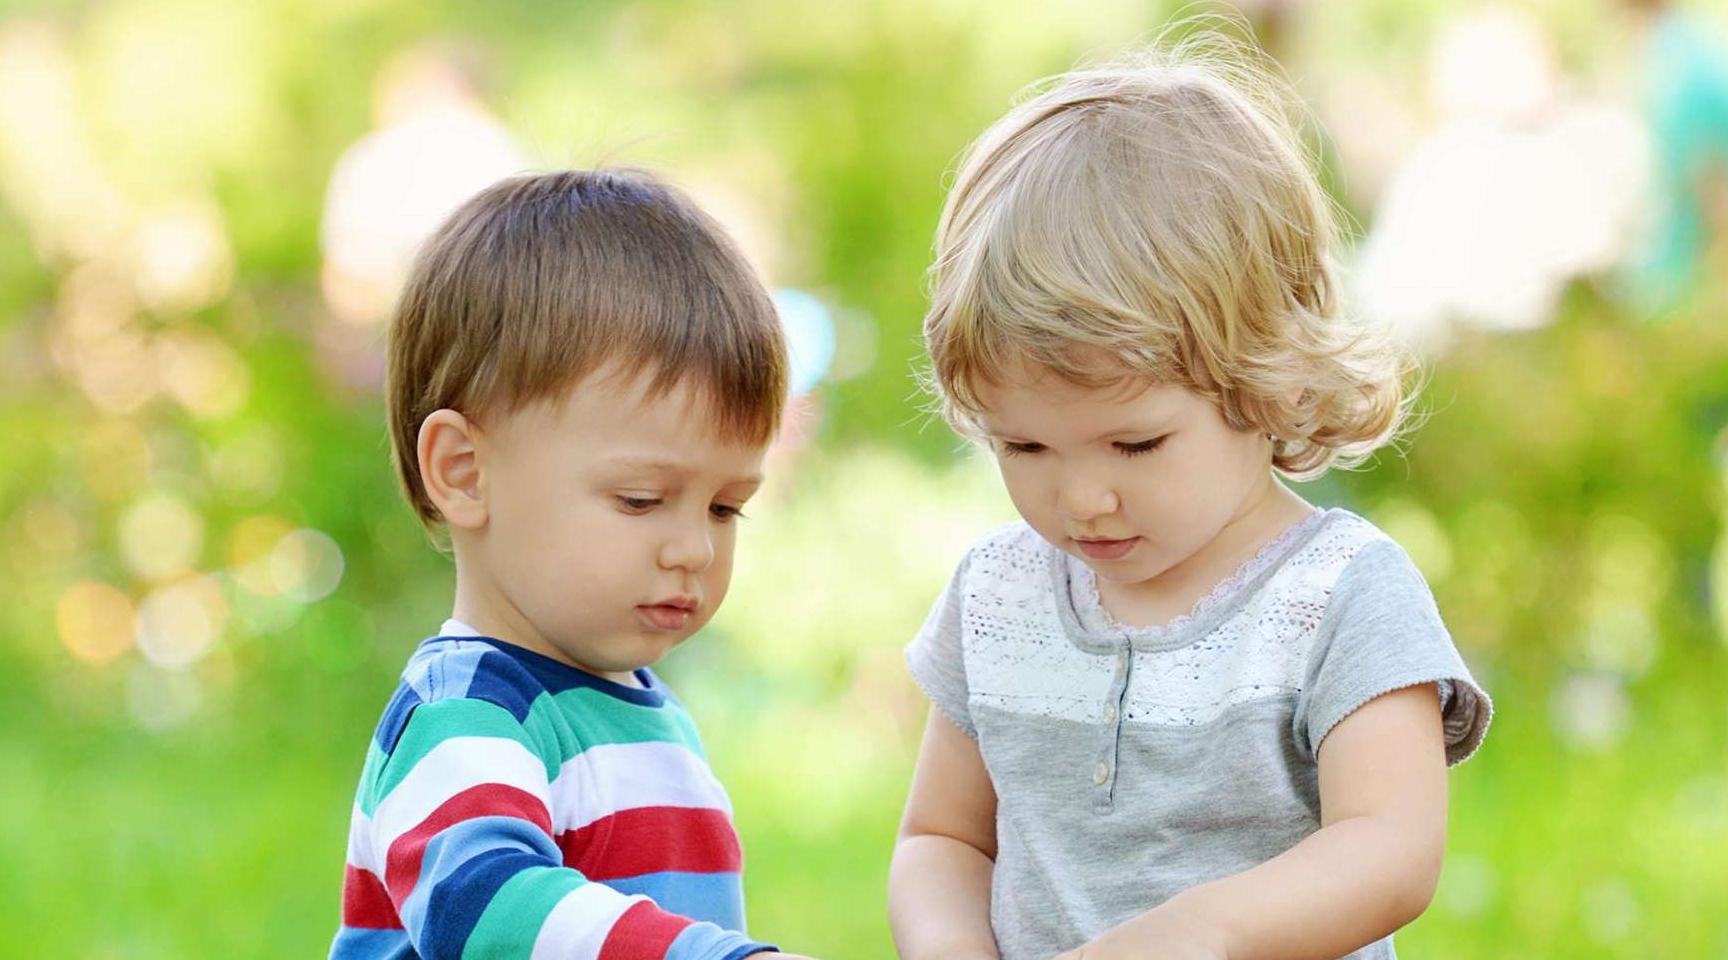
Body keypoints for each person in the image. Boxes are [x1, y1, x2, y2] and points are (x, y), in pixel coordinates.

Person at [888, 34, 1493, 960]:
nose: (1083, 498)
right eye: (1025, 445)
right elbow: (943, 837)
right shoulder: (997, 597)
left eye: (1136, 442)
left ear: (1266, 378)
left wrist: (1206, 931)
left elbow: (1392, 847)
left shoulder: (1339, 596)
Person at [330, 169, 812, 960]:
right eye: (640, 499)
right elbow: (483, 907)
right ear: (464, 471)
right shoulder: (467, 711)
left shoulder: (639, 715)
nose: (694, 547)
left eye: (726, 508)